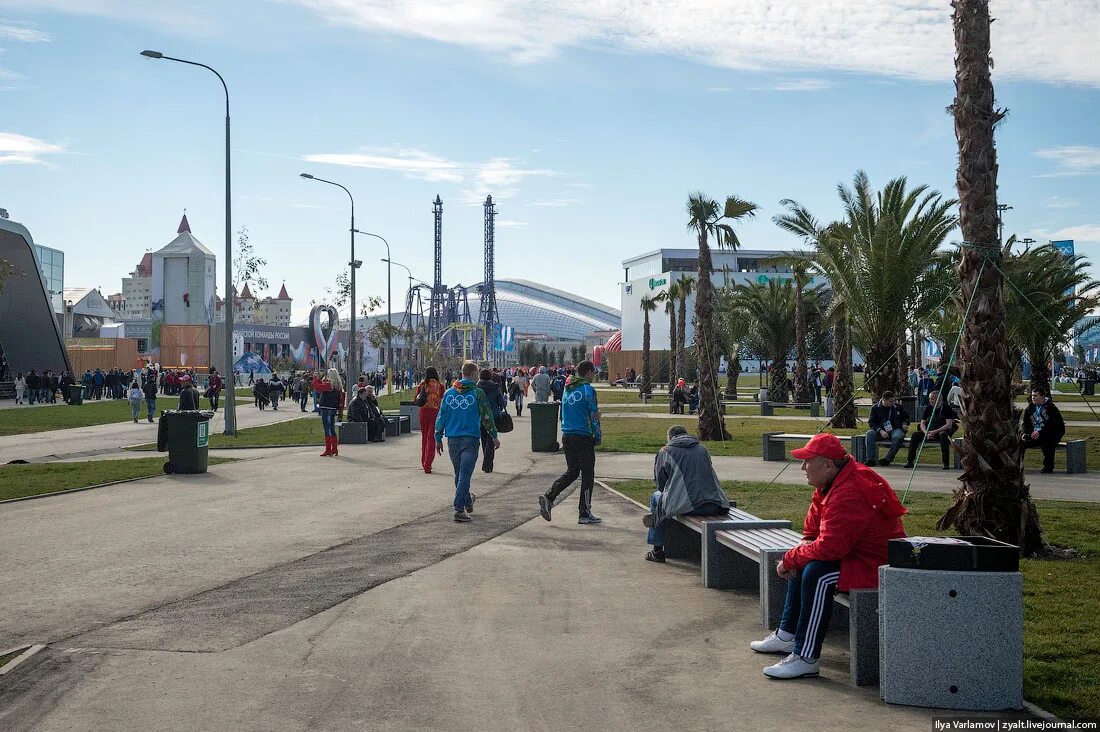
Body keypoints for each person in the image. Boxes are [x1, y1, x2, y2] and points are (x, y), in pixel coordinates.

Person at [750, 433, 906, 679]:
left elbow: (831, 549)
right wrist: (800, 551)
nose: (802, 467)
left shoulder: (850, 490)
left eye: (807, 461)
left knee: (817, 574)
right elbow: (813, 528)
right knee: (805, 563)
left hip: (873, 563)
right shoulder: (831, 481)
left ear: (827, 464)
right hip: (853, 555)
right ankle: (787, 636)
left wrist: (792, 558)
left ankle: (806, 657)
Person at [641, 426, 732, 562]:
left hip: (690, 506)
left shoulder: (665, 451)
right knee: (665, 500)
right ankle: (656, 520)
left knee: (656, 498)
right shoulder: (703, 449)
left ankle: (657, 549)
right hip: (716, 504)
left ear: (669, 437)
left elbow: (660, 483)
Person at [539, 360, 603, 525]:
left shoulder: (568, 388)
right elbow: (593, 415)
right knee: (588, 474)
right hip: (582, 435)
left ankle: (549, 496)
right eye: (593, 373)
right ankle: (584, 511)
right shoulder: (588, 390)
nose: (594, 376)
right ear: (588, 372)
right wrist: (597, 435)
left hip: (567, 434)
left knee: (573, 471)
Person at [434, 361, 499, 523]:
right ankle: (458, 508)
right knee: (464, 475)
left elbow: (442, 416)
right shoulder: (477, 393)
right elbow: (486, 416)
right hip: (470, 438)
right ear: (474, 375)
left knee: (460, 474)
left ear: (462, 373)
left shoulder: (449, 393)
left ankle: (468, 501)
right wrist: (494, 435)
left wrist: (438, 437)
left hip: (453, 439)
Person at [901, 389, 957, 470]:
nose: (930, 401)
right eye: (930, 399)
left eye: (932, 399)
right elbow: (922, 423)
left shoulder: (947, 408)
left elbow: (949, 424)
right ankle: (910, 461)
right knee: (915, 435)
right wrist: (926, 432)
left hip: (941, 432)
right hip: (929, 432)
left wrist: (935, 431)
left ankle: (946, 463)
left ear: (938, 399)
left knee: (943, 435)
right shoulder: (928, 408)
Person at [1021, 386, 1066, 474]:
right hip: (1034, 434)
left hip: (1051, 434)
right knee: (1019, 442)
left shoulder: (1051, 408)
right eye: (1032, 396)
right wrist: (1024, 433)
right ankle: (1018, 464)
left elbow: (1055, 426)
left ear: (1042, 397)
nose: (1033, 398)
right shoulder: (1029, 409)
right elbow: (1025, 424)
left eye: (1036, 396)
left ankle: (1048, 466)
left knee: (1047, 442)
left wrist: (1040, 432)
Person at [863, 391, 909, 467]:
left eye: (893, 401)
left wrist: (904, 423)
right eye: (890, 401)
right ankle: (870, 459)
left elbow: (906, 417)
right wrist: (880, 431)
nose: (892, 403)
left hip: (895, 429)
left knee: (898, 436)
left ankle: (888, 459)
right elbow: (871, 422)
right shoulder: (875, 408)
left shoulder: (898, 407)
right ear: (884, 400)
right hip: (880, 430)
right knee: (869, 434)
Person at [415, 367, 446, 473]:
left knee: (424, 438)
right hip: (435, 414)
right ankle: (428, 464)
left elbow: (416, 399)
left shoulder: (422, 385)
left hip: (423, 413)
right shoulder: (440, 386)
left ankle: (424, 461)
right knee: (431, 439)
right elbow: (442, 398)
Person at [477, 368, 507, 473]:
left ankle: (487, 461)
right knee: (491, 439)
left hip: (480, 417)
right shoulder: (495, 387)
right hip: (494, 416)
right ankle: (488, 463)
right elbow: (502, 404)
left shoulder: (476, 388)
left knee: (484, 439)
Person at [314, 368, 343, 457]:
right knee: (332, 429)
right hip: (333, 408)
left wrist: (316, 379)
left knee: (327, 429)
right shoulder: (338, 386)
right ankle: (334, 449)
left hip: (326, 408)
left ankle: (328, 449)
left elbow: (317, 387)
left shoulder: (329, 385)